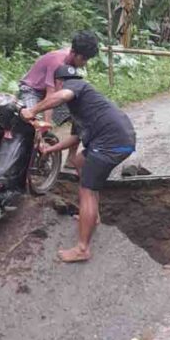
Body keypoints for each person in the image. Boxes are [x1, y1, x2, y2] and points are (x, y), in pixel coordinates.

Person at [20, 65, 136, 263]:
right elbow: (75, 138)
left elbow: (62, 96)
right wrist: (50, 150)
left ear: (58, 83)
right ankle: (92, 217)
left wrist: (32, 110)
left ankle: (82, 249)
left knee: (87, 190)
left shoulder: (74, 85)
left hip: (111, 144)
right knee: (79, 161)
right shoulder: (80, 107)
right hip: (116, 140)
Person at [19, 30, 101, 161]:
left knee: (80, 119)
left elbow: (59, 92)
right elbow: (50, 97)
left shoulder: (72, 59)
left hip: (53, 92)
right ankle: (33, 157)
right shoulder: (57, 62)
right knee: (33, 123)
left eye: (87, 59)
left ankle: (71, 159)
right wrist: (45, 127)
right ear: (73, 53)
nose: (85, 63)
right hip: (32, 90)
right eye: (83, 59)